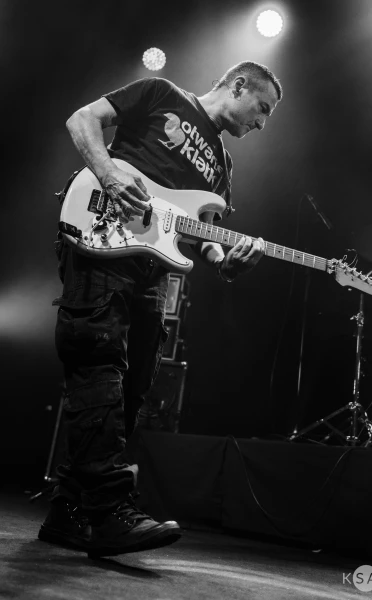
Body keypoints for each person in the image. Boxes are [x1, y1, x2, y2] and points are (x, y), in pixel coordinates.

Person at [38, 61, 282, 557]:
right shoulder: (161, 93)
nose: (262, 123)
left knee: (132, 385)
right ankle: (109, 511)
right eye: (262, 108)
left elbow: (201, 233)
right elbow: (82, 119)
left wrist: (225, 261)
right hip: (101, 235)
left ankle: (68, 510)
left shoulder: (223, 165)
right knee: (99, 363)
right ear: (238, 86)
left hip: (151, 272)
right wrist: (108, 174)